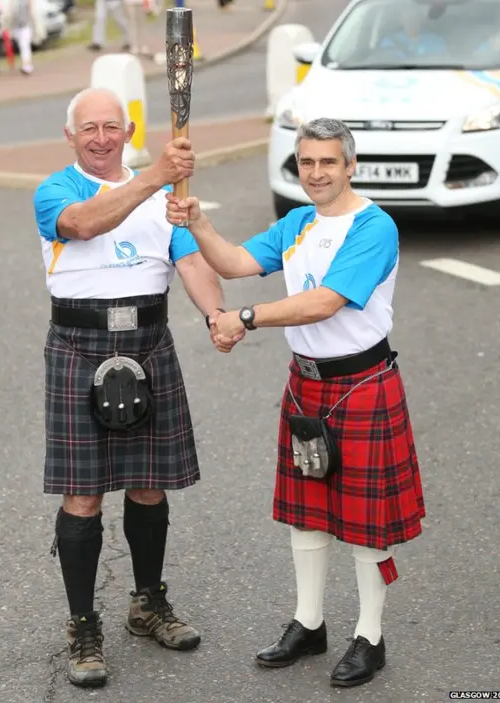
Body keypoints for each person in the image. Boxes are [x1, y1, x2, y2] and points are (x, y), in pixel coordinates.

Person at [165, 117, 425, 689]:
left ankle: (370, 637)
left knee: (363, 524)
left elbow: (326, 302)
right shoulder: (298, 222)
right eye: (307, 163)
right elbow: (234, 261)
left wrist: (245, 318)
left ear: (350, 165)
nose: (316, 173)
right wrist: (200, 223)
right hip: (308, 385)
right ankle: (310, 624)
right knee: (307, 514)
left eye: (328, 162)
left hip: (362, 384)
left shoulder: (373, 227)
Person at [32, 87, 235, 689]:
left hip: (149, 341)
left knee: (149, 485)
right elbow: (86, 223)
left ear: (127, 130)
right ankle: (82, 624)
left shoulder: (163, 198)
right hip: (78, 345)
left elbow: (191, 263)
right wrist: (155, 177)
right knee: (83, 493)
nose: (100, 137)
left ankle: (148, 603)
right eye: (88, 128)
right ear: (70, 135)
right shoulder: (57, 192)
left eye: (111, 127)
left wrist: (215, 315)